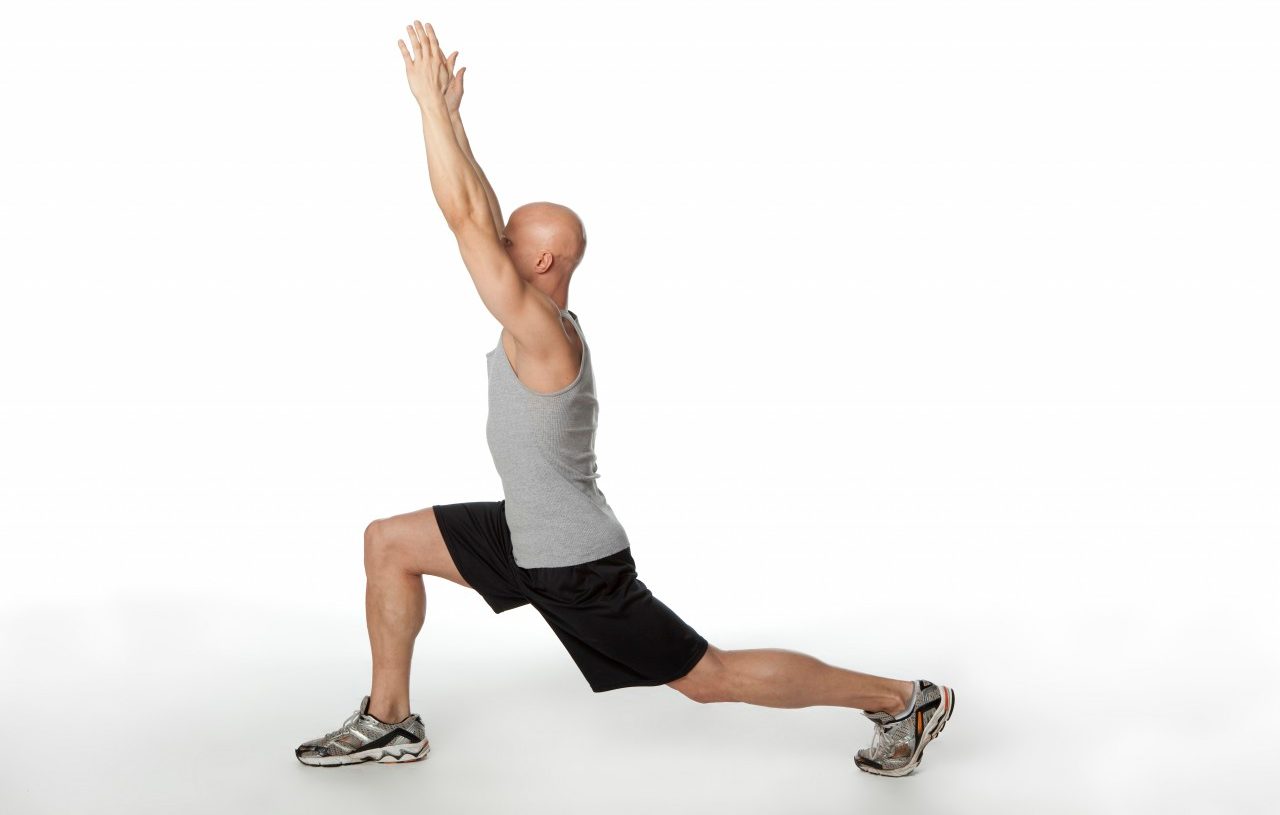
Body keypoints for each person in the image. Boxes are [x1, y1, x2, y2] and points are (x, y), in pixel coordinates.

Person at [295, 20, 955, 776]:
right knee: (389, 541)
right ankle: (389, 720)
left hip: (573, 561)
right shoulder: (535, 313)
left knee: (711, 677)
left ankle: (906, 695)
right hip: (523, 535)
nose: (490, 249)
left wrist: (424, 110)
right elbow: (480, 210)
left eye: (508, 245)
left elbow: (464, 219)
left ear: (539, 261)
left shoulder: (542, 333)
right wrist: (451, 114)